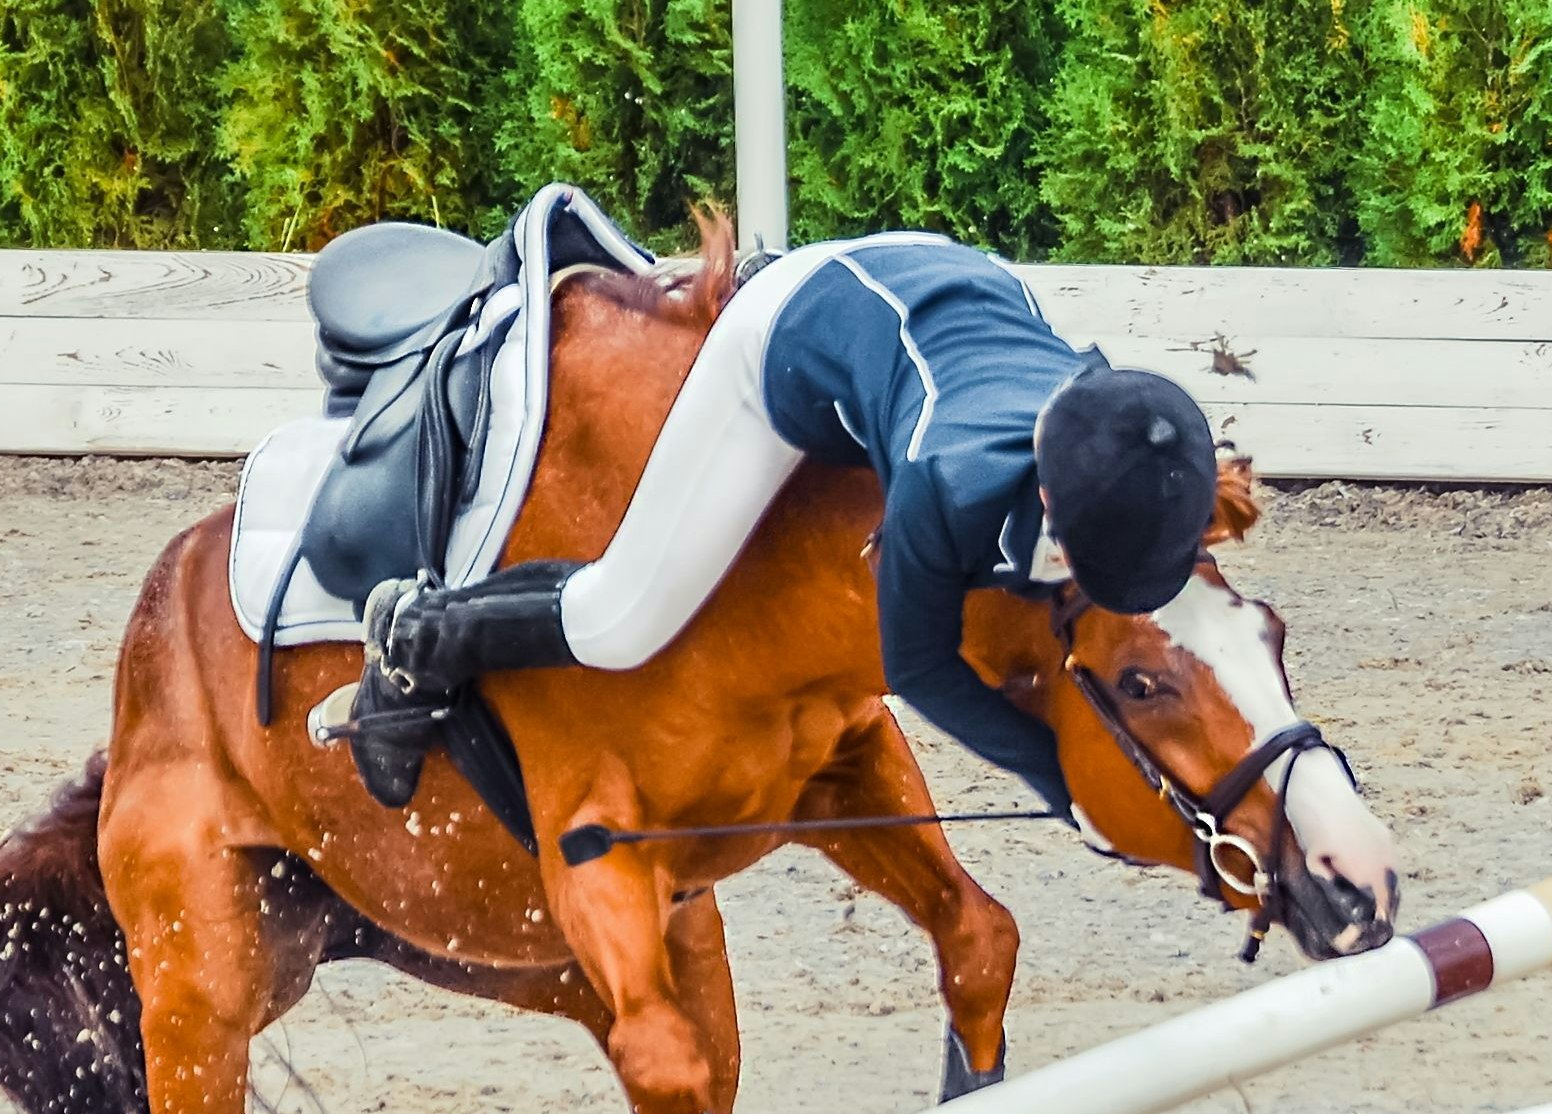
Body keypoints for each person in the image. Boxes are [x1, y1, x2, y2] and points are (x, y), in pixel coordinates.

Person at [361, 230, 1219, 819]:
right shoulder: (943, 482)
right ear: (1050, 506)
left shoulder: (1118, 420)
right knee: (621, 619)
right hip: (784, 334)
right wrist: (1058, 778)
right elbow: (919, 666)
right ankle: (418, 637)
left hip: (947, 279)